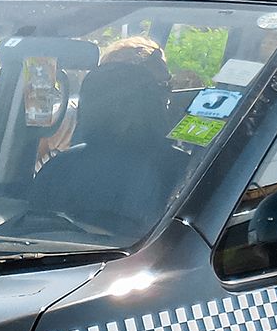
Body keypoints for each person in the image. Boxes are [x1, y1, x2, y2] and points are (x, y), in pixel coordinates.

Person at [30, 36, 185, 236]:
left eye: (167, 87)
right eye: (158, 88)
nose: (167, 98)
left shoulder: (57, 170)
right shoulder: (184, 176)